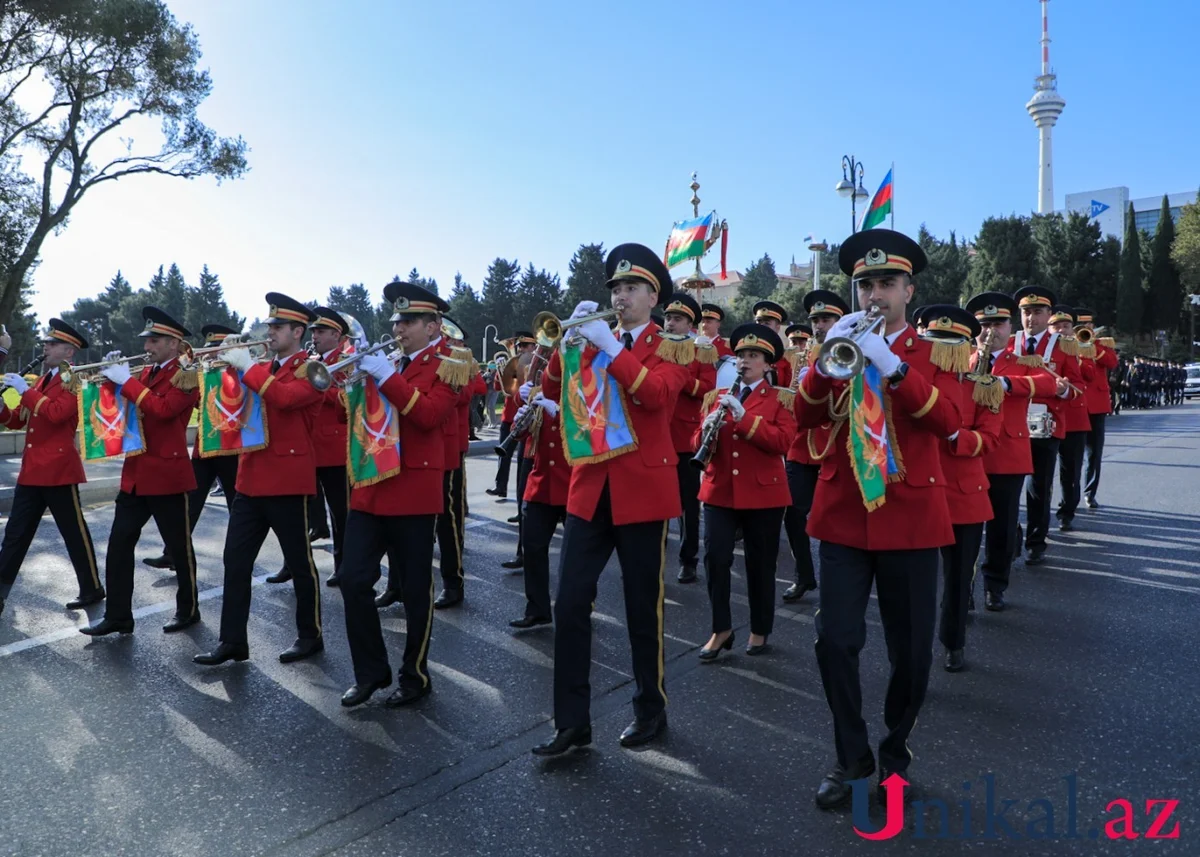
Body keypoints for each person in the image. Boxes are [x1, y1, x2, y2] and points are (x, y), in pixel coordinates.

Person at [794, 229, 962, 809]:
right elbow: (803, 416)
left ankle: (894, 754)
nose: (874, 294)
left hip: (912, 515)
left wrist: (893, 367)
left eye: (886, 282)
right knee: (834, 642)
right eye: (865, 284)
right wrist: (823, 364)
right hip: (843, 514)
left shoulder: (937, 351)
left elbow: (950, 421)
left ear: (908, 289)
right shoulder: (839, 342)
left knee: (911, 655)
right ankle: (851, 758)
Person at [531, 243, 693, 756]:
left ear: (653, 296)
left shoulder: (674, 345)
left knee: (643, 609)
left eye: (630, 288)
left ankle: (651, 709)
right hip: (589, 487)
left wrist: (612, 349)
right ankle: (572, 722)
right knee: (571, 602)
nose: (620, 296)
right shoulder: (591, 342)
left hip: (643, 490)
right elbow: (554, 387)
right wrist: (568, 343)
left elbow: (658, 397)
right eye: (615, 289)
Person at [337, 281, 460, 708]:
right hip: (371, 490)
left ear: (433, 325)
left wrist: (386, 377)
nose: (399, 328)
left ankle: (416, 674)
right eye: (396, 321)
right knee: (353, 580)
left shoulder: (451, 363)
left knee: (413, 590)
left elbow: (427, 416)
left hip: (413, 491)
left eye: (408, 321)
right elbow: (349, 417)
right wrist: (351, 383)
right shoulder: (386, 362)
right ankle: (370, 672)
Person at [193, 293, 325, 666]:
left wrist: (247, 366)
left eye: (278, 327)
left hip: (287, 480)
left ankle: (309, 634)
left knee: (299, 564)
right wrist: (227, 365)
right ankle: (232, 640)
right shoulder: (262, 368)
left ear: (298, 332)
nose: (270, 333)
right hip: (250, 480)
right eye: (269, 326)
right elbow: (234, 400)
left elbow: (283, 399)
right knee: (235, 562)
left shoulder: (310, 370)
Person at [81, 307, 202, 636]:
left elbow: (163, 410)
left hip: (167, 475)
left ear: (174, 343)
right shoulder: (145, 374)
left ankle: (188, 609)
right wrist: (109, 378)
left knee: (179, 548)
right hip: (135, 475)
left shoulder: (186, 374)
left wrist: (128, 381)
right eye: (147, 340)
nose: (147, 346)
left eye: (154, 340)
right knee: (119, 544)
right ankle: (118, 614)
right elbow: (120, 410)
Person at [694, 323, 796, 660]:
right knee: (716, 558)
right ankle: (720, 628)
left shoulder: (781, 399)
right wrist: (705, 432)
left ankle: (759, 629)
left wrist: (745, 420)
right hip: (720, 489)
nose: (744, 361)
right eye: (740, 356)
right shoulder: (717, 398)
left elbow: (784, 442)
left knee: (760, 564)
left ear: (768, 364)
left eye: (753, 356)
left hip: (763, 493)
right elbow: (697, 444)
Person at [916, 306, 1002, 673]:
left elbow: (991, 439)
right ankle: (914, 648)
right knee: (915, 580)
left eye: (949, 345)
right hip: (919, 491)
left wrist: (956, 436)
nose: (941, 352)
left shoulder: (983, 389)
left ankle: (953, 641)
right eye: (934, 344)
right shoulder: (914, 387)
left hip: (965, 493)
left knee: (957, 578)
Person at [0, 319, 103, 618]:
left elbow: (58, 414)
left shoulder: (74, 381)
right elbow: (19, 420)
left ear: (69, 352)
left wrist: (25, 390)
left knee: (73, 533)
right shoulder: (42, 381)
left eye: (53, 344)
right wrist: (4, 408)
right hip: (33, 470)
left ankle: (92, 587)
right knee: (16, 534)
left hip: (59, 470)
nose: (45, 346)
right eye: (46, 342)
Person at [963, 293, 1057, 612]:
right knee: (966, 525)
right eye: (984, 324)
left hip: (1006, 453)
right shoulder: (964, 361)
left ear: (1009, 326)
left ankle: (995, 584)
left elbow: (1049, 383)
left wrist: (1006, 383)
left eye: (998, 323)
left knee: (1002, 524)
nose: (991, 330)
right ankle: (965, 583)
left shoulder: (1022, 361)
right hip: (969, 453)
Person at [142, 324, 241, 572]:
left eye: (214, 351)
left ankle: (242, 556)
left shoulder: (240, 372)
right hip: (205, 446)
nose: (207, 355)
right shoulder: (202, 372)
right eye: (206, 350)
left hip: (232, 447)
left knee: (238, 507)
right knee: (191, 503)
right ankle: (173, 553)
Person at [268, 307, 351, 588]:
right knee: (296, 515)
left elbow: (346, 400)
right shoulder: (310, 361)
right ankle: (291, 564)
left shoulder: (349, 361)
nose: (314, 336)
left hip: (333, 448)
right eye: (312, 331)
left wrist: (319, 385)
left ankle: (343, 565)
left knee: (340, 512)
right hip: (305, 447)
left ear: (336, 335)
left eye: (320, 332)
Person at [1006, 287, 1084, 566]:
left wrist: (1063, 390)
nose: (1031, 318)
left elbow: (1078, 388)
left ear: (1048, 315)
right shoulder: (1008, 343)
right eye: (1026, 312)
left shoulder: (1062, 345)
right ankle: (1009, 537)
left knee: (1039, 486)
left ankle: (1036, 542)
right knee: (1006, 487)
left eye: (1038, 312)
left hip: (1045, 426)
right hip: (1009, 426)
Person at [782, 290, 849, 603]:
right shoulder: (802, 355)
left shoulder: (850, 351)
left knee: (834, 518)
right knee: (793, 514)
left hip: (836, 443)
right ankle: (804, 575)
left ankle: (839, 579)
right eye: (816, 320)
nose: (820, 325)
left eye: (827, 319)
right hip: (801, 444)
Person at [508, 382, 571, 629]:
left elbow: (594, 428)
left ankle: (582, 603)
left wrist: (561, 413)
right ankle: (537, 608)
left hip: (572, 481)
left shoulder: (583, 388)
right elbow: (522, 435)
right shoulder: (540, 391)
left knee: (576, 553)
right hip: (542, 483)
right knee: (532, 547)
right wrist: (519, 417)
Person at [662, 292, 716, 583]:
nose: (671, 323)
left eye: (678, 319)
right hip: (656, 433)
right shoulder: (656, 345)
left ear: (690, 324)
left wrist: (683, 378)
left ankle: (688, 558)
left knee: (687, 504)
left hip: (683, 436)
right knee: (654, 499)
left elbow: (708, 389)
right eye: (669, 317)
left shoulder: (701, 350)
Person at [433, 315, 476, 609]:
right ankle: (398, 584)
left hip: (448, 444)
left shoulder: (459, 358)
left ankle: (453, 581)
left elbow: (467, 396)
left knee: (448, 517)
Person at [1048, 307, 1093, 532]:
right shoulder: (1042, 349)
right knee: (1041, 472)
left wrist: (1082, 353)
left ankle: (1067, 511)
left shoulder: (1081, 349)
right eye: (1056, 326)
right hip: (1048, 417)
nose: (1062, 330)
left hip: (1074, 417)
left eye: (1066, 326)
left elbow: (1089, 377)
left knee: (1071, 470)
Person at [1074, 311, 1117, 509]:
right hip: (1075, 404)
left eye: (1089, 325)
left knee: (1094, 454)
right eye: (1082, 326)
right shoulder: (1067, 345)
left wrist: (1093, 348)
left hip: (1097, 406)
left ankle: (1090, 493)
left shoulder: (1101, 345)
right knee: (1072, 455)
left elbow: (1112, 362)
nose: (1087, 329)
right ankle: (1070, 495)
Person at [487, 333, 536, 501]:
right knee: (503, 453)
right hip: (509, 416)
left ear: (533, 347)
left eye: (525, 346)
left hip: (525, 418)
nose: (520, 349)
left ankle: (523, 500)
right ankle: (500, 486)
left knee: (524, 464)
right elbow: (499, 387)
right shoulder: (512, 364)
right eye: (519, 346)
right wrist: (502, 372)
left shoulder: (535, 365)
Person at [753, 300, 792, 389]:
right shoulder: (744, 354)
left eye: (767, 323)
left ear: (777, 327)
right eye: (759, 322)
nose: (761, 327)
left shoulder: (785, 359)